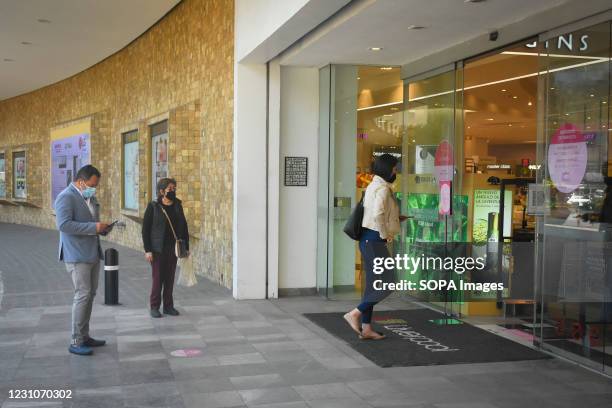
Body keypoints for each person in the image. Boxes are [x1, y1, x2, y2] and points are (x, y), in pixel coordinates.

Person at [344, 154, 406, 340]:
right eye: (394, 169)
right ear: (388, 169)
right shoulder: (384, 189)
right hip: (374, 240)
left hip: (367, 240)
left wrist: (394, 218)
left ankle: (367, 328)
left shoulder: (373, 185)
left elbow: (375, 212)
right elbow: (378, 214)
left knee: (373, 286)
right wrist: (384, 234)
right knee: (389, 282)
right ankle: (354, 313)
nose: (396, 172)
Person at [55, 164, 110, 356]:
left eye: (95, 186)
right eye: (92, 185)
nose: (94, 188)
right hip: (77, 255)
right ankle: (76, 340)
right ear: (80, 182)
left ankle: (84, 335)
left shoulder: (88, 197)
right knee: (83, 295)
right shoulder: (66, 197)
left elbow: (91, 222)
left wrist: (102, 227)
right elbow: (64, 225)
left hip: (92, 252)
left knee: (90, 294)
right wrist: (93, 227)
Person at [142, 178, 189, 318]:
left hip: (173, 248)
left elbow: (184, 226)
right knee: (158, 278)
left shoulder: (177, 204)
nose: (173, 191)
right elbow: (145, 230)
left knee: (169, 278)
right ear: (162, 191)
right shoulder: (153, 206)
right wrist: (147, 250)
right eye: (170, 188)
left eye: (174, 188)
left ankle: (168, 306)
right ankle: (154, 306)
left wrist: (186, 247)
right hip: (157, 249)